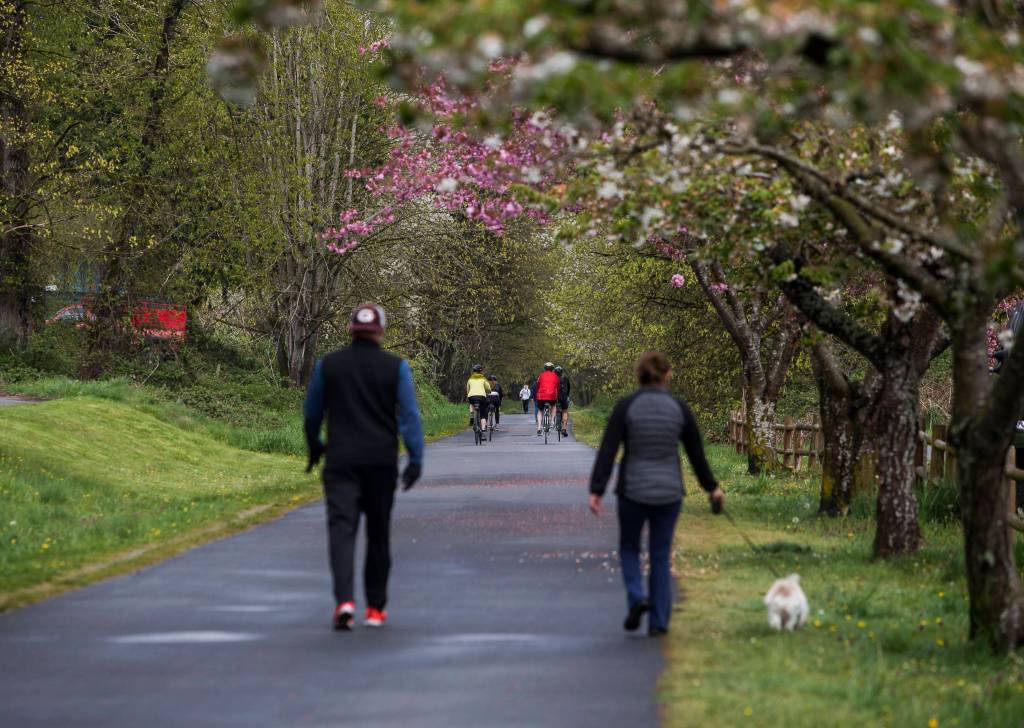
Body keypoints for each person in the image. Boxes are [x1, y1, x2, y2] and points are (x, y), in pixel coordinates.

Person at [303, 302, 424, 632]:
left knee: (342, 530)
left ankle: (344, 601)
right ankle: (375, 607)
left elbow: (312, 413)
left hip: (341, 460)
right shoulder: (396, 368)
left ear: (350, 330)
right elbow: (410, 416)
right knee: (378, 532)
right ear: (381, 332)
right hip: (381, 462)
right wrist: (415, 459)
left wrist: (315, 448)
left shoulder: (328, 365)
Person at [588, 351, 723, 636]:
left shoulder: (627, 406)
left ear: (638, 375)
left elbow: (609, 448)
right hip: (668, 491)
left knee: (629, 547)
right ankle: (659, 621)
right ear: (667, 375)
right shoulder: (679, 408)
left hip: (633, 490)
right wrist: (712, 487)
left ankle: (637, 597)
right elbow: (696, 453)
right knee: (660, 554)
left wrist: (597, 489)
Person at [533, 362, 561, 436]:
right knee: (554, 405)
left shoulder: (541, 375)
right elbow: (558, 386)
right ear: (552, 369)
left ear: (544, 368)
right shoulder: (555, 376)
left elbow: (538, 385)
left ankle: (539, 428)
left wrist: (537, 394)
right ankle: (552, 421)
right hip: (552, 395)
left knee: (540, 410)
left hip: (541, 396)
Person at [466, 364, 491, 431]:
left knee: (471, 403)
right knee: (483, 414)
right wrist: (488, 391)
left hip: (472, 397)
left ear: (473, 371)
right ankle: (483, 430)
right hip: (482, 397)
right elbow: (488, 388)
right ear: (481, 371)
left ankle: (472, 414)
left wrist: (469, 394)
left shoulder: (470, 379)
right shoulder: (483, 379)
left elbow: (468, 390)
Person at [555, 365, 571, 437]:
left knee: (553, 408)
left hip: (555, 397)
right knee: (565, 411)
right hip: (564, 397)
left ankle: (555, 421)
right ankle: (564, 428)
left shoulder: (553, 379)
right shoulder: (565, 378)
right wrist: (567, 395)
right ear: (561, 372)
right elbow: (568, 388)